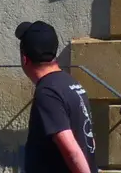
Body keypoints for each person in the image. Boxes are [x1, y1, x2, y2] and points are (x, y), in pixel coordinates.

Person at [16, 20, 98, 173]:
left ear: (25, 59)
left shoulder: (47, 93)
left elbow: (71, 150)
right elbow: (88, 140)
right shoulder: (70, 83)